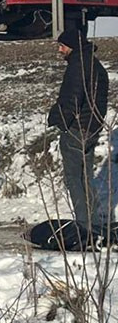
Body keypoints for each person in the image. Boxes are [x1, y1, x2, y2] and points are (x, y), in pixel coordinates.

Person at [48, 25, 109, 233]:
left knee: (74, 178)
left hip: (76, 129)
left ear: (71, 46)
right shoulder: (97, 66)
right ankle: (95, 224)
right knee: (86, 178)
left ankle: (84, 226)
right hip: (93, 129)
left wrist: (61, 123)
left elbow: (71, 99)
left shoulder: (77, 67)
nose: (60, 50)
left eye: (62, 46)